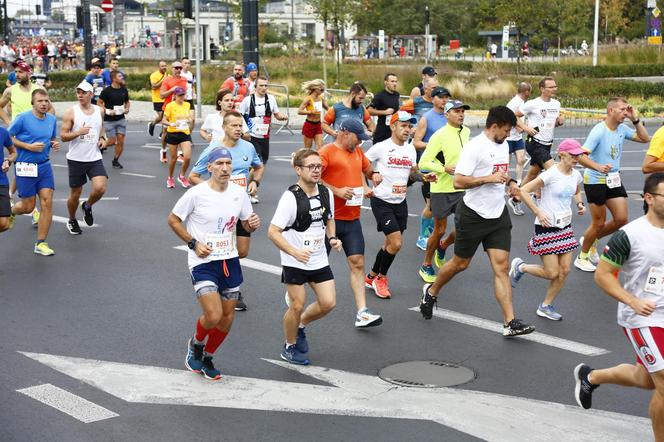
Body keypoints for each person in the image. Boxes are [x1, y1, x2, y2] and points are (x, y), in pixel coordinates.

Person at [418, 106, 535, 337]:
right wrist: (487, 179)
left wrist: (510, 182)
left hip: (497, 214)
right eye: (506, 130)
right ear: (494, 127)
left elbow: (501, 172)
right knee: (460, 264)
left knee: (501, 267)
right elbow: (458, 182)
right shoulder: (475, 147)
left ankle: (509, 322)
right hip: (472, 214)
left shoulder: (502, 145)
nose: (509, 134)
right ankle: (431, 291)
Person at [573, 172, 664, 441]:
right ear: (648, 198)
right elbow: (602, 275)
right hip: (642, 318)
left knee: (646, 379)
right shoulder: (630, 235)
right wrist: (632, 301)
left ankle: (591, 377)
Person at [168, 147, 261, 380]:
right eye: (219, 163)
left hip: (228, 260)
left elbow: (245, 223)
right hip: (202, 261)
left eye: (228, 163)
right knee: (213, 315)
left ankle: (208, 356)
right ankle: (196, 343)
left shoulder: (239, 193)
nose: (225, 168)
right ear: (209, 167)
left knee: (228, 317)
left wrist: (252, 225)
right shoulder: (196, 194)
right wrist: (193, 243)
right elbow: (173, 220)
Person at [268, 149, 340, 365]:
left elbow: (329, 218)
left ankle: (300, 326)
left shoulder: (326, 193)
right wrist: (295, 252)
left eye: (319, 166)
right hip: (294, 260)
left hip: (318, 258)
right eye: (311, 166)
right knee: (297, 305)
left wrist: (333, 237)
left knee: (328, 303)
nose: (317, 170)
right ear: (298, 169)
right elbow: (272, 231)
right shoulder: (290, 198)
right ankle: (289, 346)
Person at [189, 111, 264, 312]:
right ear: (224, 127)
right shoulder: (214, 149)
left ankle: (225, 279)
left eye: (241, 126)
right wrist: (214, 188)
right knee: (226, 247)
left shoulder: (248, 147)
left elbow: (258, 166)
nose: (239, 129)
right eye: (234, 126)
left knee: (242, 251)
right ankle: (230, 288)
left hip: (242, 205)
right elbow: (193, 176)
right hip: (220, 208)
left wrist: (255, 182)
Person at [509, 139, 586, 320]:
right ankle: (521, 267)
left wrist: (580, 204)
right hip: (546, 227)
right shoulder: (550, 174)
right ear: (562, 154)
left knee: (565, 270)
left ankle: (545, 306)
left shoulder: (576, 175)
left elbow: (575, 191)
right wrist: (538, 211)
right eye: (573, 154)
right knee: (552, 272)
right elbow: (523, 191)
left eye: (578, 155)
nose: (577, 158)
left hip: (564, 227)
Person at [319, 119, 383, 328]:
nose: (360, 143)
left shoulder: (356, 152)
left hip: (352, 218)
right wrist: (336, 191)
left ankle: (362, 313)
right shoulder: (327, 152)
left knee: (357, 262)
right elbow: (314, 178)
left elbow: (367, 169)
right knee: (316, 266)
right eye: (358, 138)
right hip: (329, 220)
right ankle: (294, 292)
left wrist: (373, 176)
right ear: (344, 133)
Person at [574, 98, 650, 272]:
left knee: (621, 219)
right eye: (622, 110)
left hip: (613, 178)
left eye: (627, 109)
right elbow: (581, 155)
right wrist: (598, 167)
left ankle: (590, 239)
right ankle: (582, 256)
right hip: (595, 180)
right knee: (598, 222)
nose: (625, 112)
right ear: (611, 111)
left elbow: (645, 139)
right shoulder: (599, 131)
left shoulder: (622, 128)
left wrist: (635, 119)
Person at [364, 112, 418, 298]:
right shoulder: (381, 147)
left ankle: (371, 276)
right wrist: (372, 175)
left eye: (409, 126)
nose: (407, 130)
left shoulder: (410, 150)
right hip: (381, 201)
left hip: (400, 201)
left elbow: (412, 173)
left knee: (388, 244)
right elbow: (361, 163)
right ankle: (381, 279)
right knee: (396, 243)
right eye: (403, 126)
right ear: (393, 126)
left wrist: (425, 177)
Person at [417, 100, 470, 283]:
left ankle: (443, 246)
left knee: (465, 227)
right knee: (439, 230)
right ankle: (426, 264)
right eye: (456, 111)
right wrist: (444, 169)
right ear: (446, 114)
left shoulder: (467, 131)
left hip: (461, 187)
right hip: (441, 189)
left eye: (462, 111)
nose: (461, 114)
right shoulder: (439, 135)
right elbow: (424, 163)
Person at [8, 89, 60, 255]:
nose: (44, 104)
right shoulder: (22, 118)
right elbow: (7, 137)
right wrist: (27, 146)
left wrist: (54, 144)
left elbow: (52, 138)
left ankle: (41, 243)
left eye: (46, 100)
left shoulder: (51, 120)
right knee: (27, 206)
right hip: (26, 166)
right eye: (40, 101)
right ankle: (10, 211)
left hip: (44, 166)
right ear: (33, 103)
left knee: (47, 202)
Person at [60, 82, 107, 235]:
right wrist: (78, 132)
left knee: (100, 188)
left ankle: (87, 205)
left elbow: (101, 127)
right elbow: (63, 136)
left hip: (94, 157)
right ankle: (72, 219)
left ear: (91, 94)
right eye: (78, 92)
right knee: (75, 194)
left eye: (84, 92)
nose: (80, 95)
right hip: (76, 159)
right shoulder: (71, 112)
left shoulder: (100, 111)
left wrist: (103, 138)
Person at [410, 84, 451, 251]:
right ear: (433, 99)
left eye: (446, 97)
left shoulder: (450, 117)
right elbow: (416, 142)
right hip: (430, 169)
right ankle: (423, 236)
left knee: (442, 207)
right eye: (441, 97)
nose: (444, 100)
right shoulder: (427, 117)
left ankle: (434, 233)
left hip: (447, 168)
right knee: (432, 206)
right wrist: (435, 145)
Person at [514, 77, 564, 189]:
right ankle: (539, 196)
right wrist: (525, 128)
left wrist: (559, 122)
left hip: (547, 144)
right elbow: (515, 115)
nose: (554, 89)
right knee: (553, 172)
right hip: (535, 143)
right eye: (551, 87)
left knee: (532, 174)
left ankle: (516, 198)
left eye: (555, 86)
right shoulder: (533, 103)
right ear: (542, 89)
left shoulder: (556, 104)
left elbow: (552, 123)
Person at [239, 76, 288, 172]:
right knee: (258, 163)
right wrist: (243, 130)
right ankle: (252, 183)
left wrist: (283, 117)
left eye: (266, 85)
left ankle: (252, 181)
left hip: (265, 137)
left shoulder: (271, 99)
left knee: (263, 162)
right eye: (261, 85)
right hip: (252, 137)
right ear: (255, 87)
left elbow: (277, 115)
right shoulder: (248, 100)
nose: (264, 88)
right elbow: (239, 115)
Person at [505, 82, 532, 216]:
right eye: (530, 91)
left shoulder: (523, 102)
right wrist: (519, 128)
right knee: (506, 163)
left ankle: (519, 182)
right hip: (509, 138)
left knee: (521, 160)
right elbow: (509, 117)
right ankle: (506, 183)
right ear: (526, 92)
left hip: (517, 139)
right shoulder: (514, 102)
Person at [162, 87, 195, 189]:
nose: (181, 97)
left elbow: (189, 117)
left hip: (184, 133)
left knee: (188, 157)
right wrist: (171, 123)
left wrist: (190, 120)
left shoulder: (187, 104)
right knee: (173, 159)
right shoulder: (170, 106)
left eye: (183, 95)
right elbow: (163, 120)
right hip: (173, 133)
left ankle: (181, 176)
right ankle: (170, 178)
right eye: (179, 95)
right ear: (175, 96)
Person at [98, 70, 130, 170]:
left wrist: (127, 109)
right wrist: (107, 111)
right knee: (111, 141)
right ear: (114, 79)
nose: (122, 78)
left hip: (121, 119)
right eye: (120, 76)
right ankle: (100, 146)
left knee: (120, 141)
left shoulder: (124, 90)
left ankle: (115, 160)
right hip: (109, 120)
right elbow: (99, 103)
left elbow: (127, 102)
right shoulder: (106, 91)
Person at [367, 73, 400, 144]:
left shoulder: (397, 95)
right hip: (382, 132)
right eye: (392, 81)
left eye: (396, 81)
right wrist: (384, 112)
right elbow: (369, 110)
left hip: (393, 131)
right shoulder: (380, 96)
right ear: (386, 83)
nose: (394, 84)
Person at [298, 79, 328, 150]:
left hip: (318, 125)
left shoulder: (321, 98)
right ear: (315, 88)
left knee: (320, 148)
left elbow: (328, 108)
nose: (322, 91)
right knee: (307, 150)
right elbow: (299, 111)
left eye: (323, 89)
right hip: (309, 125)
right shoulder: (308, 99)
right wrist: (310, 112)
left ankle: (319, 161)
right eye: (321, 89)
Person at [147, 60, 168, 150]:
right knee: (160, 117)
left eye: (165, 66)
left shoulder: (168, 75)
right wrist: (163, 80)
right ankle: (152, 124)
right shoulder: (154, 75)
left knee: (165, 117)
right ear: (159, 67)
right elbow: (154, 86)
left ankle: (162, 133)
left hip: (165, 99)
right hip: (157, 99)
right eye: (162, 66)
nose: (164, 67)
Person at [0, 125, 16, 232]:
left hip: (1, 181)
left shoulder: (2, 132)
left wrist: (8, 161)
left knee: (4, 224)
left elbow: (14, 152)